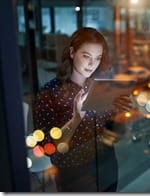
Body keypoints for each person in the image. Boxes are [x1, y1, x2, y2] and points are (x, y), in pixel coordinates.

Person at [33, 27, 133, 192]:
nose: (92, 64)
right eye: (86, 56)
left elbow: (114, 136)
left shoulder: (101, 87)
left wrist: (122, 114)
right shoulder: (49, 93)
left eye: (97, 58)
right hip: (74, 171)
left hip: (107, 162)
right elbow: (47, 147)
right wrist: (76, 119)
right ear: (72, 53)